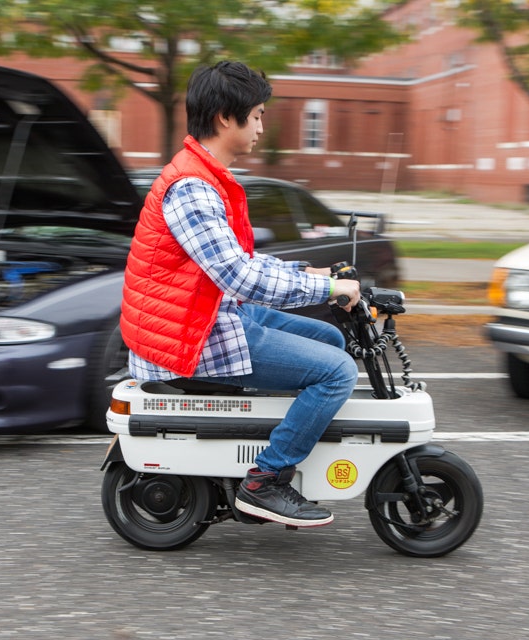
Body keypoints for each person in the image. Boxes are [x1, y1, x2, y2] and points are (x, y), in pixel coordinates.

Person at [120, 61, 361, 528]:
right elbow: (240, 278)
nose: (261, 127)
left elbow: (240, 266)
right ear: (224, 119)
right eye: (257, 115)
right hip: (189, 338)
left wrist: (310, 272)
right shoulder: (192, 187)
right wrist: (328, 287)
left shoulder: (206, 176)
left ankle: (267, 441)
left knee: (330, 342)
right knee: (337, 372)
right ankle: (265, 480)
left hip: (207, 316)